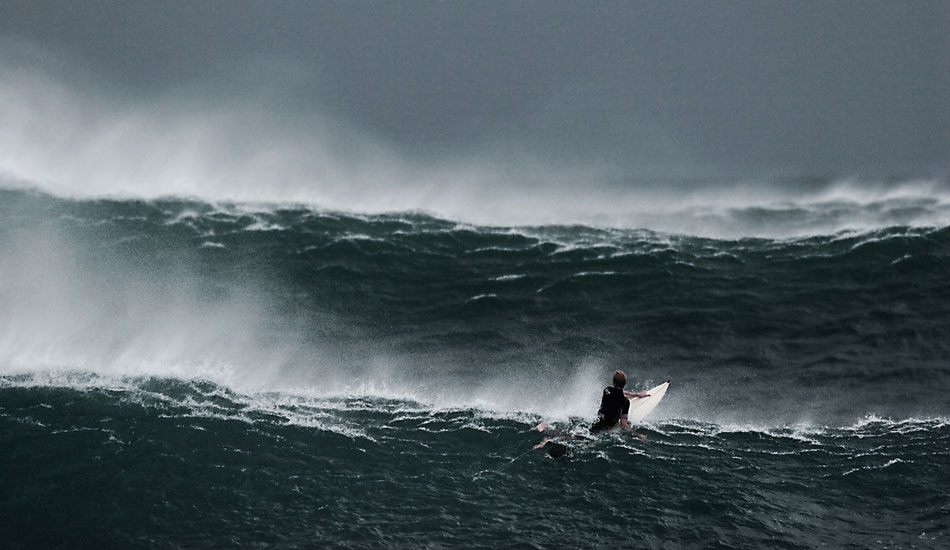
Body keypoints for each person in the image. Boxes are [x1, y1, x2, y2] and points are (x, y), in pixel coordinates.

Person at [533, 369, 650, 455]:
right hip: (602, 427)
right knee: (575, 439)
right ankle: (547, 440)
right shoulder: (625, 402)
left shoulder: (607, 390)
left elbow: (618, 392)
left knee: (574, 432)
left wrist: (635, 395)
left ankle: (546, 427)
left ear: (614, 383)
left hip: (596, 421)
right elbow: (624, 425)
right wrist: (637, 435)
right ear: (624, 384)